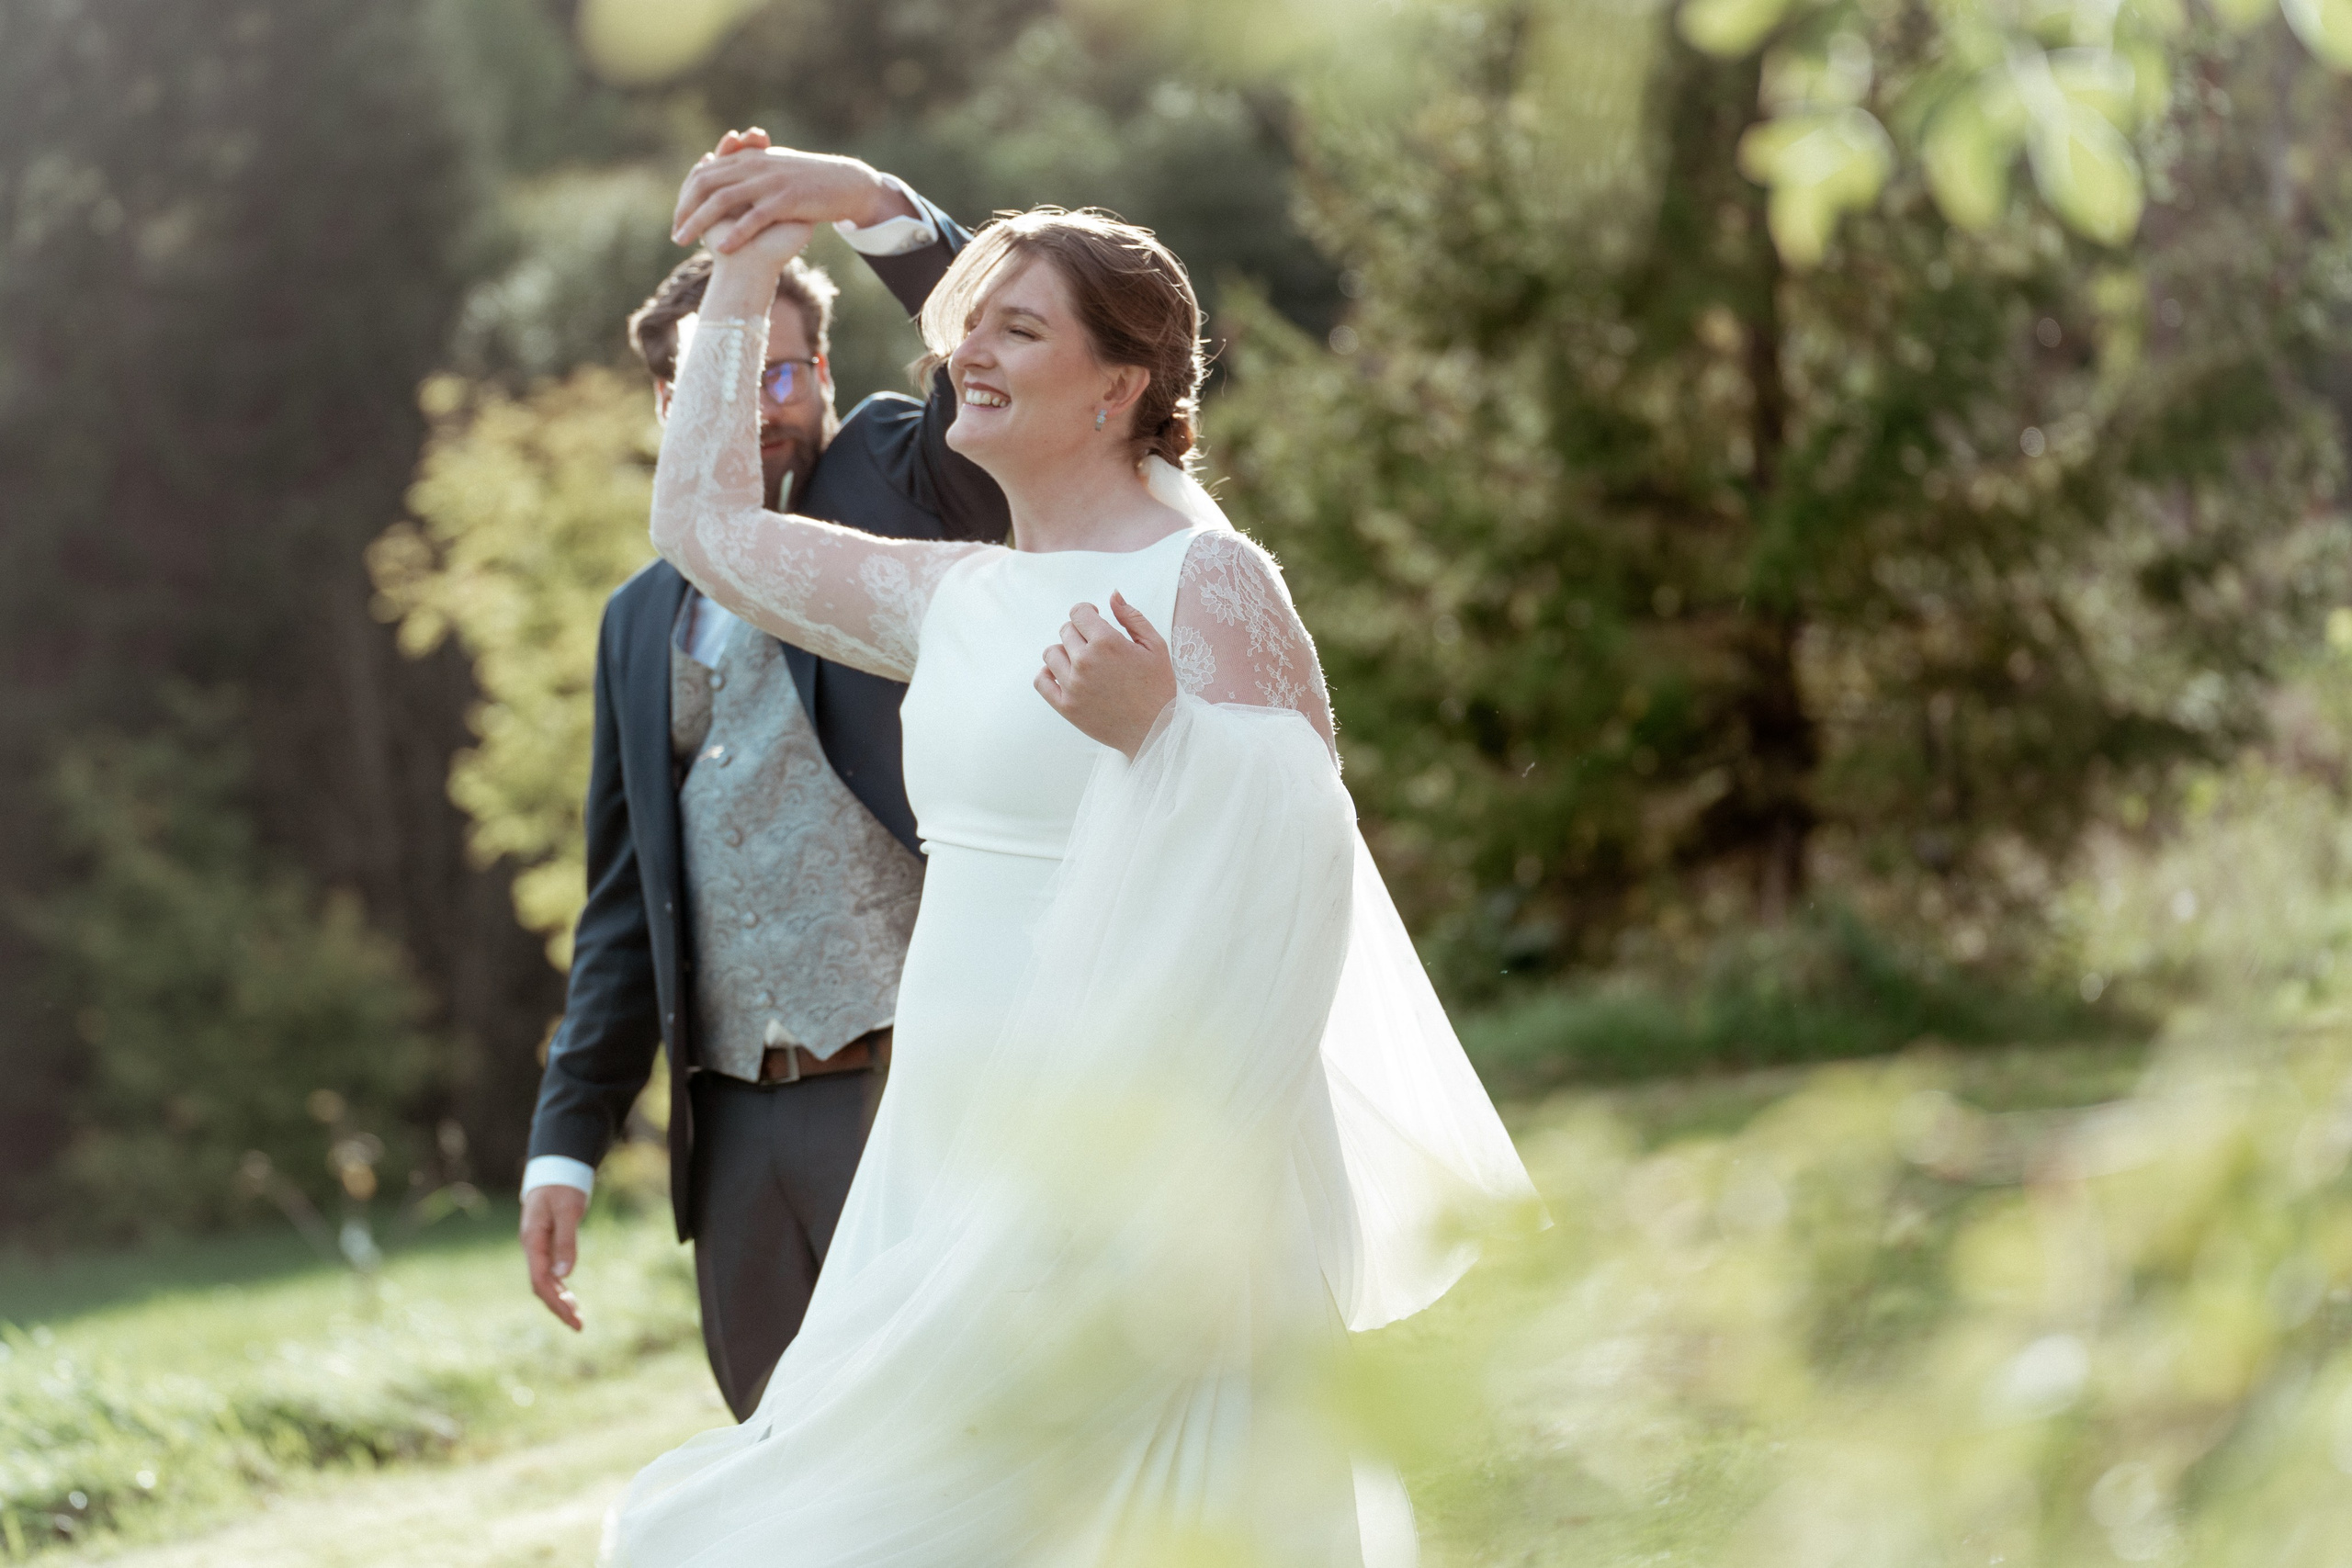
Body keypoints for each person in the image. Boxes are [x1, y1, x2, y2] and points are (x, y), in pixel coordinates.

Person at [604, 160, 1538, 1565]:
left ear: (1118, 388)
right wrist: (747, 264)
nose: (965, 350)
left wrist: (1164, 734)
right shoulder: (951, 594)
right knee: (894, 1495)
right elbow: (710, 532)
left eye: (1017, 330)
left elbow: (1304, 858)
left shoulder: (1209, 582)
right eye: (968, 325)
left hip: (1144, 1136)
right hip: (954, 1127)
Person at [516, 138, 1008, 1420]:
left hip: (921, 1080)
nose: (757, 402)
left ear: (828, 374)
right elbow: (628, 901)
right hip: (733, 1129)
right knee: (784, 1459)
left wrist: (872, 208)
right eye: (718, 378)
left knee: (959, 1443)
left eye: (781, 367)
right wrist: (565, 1139)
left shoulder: (903, 473)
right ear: (665, 409)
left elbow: (994, 357)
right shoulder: (636, 620)